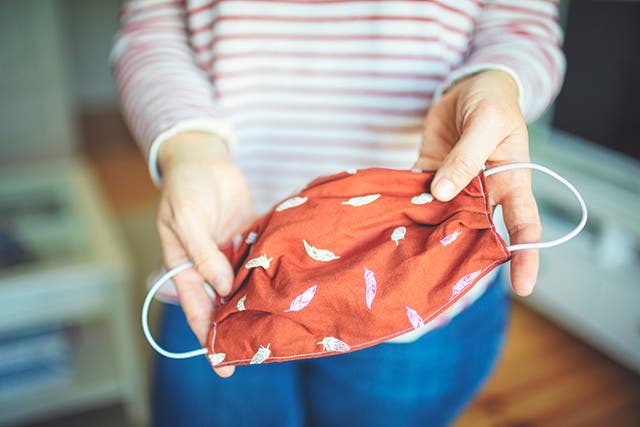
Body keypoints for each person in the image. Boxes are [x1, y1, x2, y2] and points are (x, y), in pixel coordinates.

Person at [112, 1, 564, 426]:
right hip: (218, 261)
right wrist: (188, 148)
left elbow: (520, 24)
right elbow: (152, 33)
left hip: (421, 281)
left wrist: (496, 81)